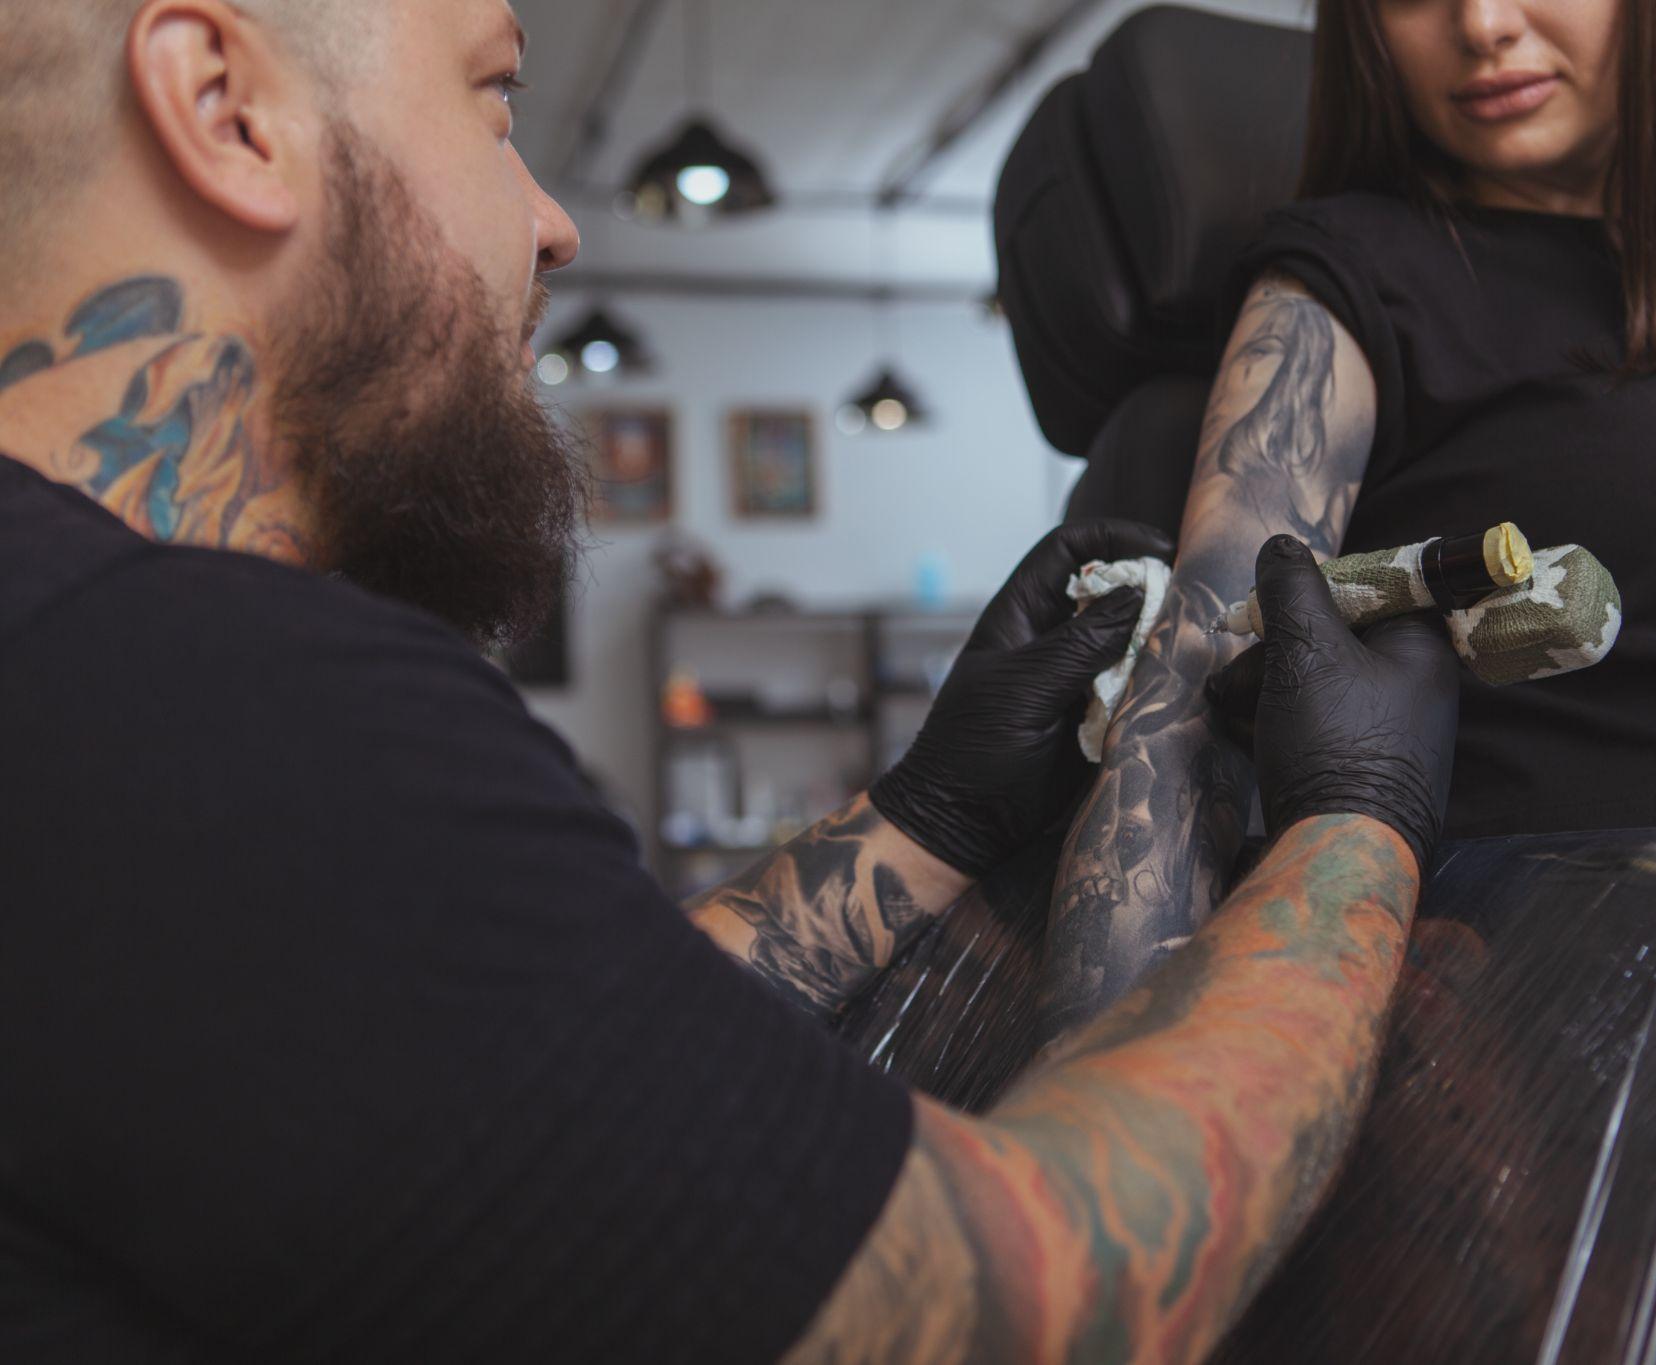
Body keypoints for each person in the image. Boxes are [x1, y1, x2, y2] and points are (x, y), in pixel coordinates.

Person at [0, 1, 1462, 1359]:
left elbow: (553, 1084)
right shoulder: (219, 717)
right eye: (495, 102)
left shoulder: (101, 705)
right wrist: (1353, 824)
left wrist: (928, 816)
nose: (555, 223)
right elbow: (1033, 1300)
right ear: (226, 107)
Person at [1036, 0, 1656, 1036]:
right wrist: (1099, 1098)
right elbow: (1184, 716)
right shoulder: (1346, 280)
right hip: (1638, 987)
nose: (1482, 24)